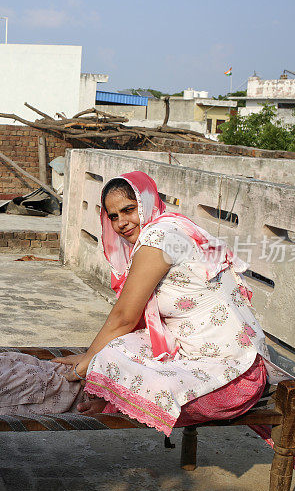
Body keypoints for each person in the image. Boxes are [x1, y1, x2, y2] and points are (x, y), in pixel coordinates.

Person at [52, 171, 273, 434]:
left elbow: (124, 317)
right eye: (113, 216)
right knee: (116, 351)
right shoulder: (170, 224)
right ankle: (111, 395)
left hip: (236, 377)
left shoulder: (158, 238)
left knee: (115, 363)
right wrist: (91, 357)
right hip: (207, 355)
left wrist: (83, 368)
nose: (122, 223)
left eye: (129, 210)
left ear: (145, 203)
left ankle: (115, 403)